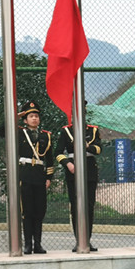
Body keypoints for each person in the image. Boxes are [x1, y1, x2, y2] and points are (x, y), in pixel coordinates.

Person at [0, 101, 54, 254]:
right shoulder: (19, 132)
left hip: (40, 176)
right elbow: (1, 132)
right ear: (25, 119)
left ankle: (38, 244)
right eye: (31, 116)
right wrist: (15, 117)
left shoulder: (46, 136)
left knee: (39, 211)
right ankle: (27, 244)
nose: (34, 119)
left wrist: (49, 177)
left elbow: (50, 158)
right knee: (27, 211)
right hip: (25, 175)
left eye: (36, 116)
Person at [54, 102, 102, 251]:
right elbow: (58, 152)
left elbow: (99, 149)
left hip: (89, 169)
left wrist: (88, 146)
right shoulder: (66, 131)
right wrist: (68, 164)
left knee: (89, 206)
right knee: (76, 206)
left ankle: (87, 240)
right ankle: (78, 240)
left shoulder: (93, 131)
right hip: (73, 169)